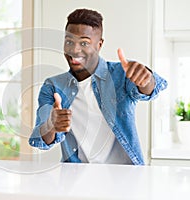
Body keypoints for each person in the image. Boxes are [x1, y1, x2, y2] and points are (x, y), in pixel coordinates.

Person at [29, 8, 167, 165]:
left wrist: (146, 79)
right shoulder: (53, 86)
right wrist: (51, 126)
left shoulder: (120, 74)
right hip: (76, 177)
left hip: (125, 177)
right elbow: (41, 139)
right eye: (69, 42)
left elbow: (150, 90)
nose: (74, 50)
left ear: (99, 44)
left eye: (84, 43)